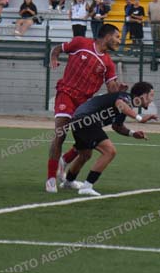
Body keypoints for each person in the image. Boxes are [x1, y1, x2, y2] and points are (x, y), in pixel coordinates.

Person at [46, 25, 122, 193]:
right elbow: (57, 49)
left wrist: (119, 90)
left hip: (84, 105)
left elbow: (112, 89)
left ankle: (66, 169)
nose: (119, 40)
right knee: (60, 134)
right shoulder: (80, 43)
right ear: (107, 36)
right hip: (66, 94)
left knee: (86, 149)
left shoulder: (108, 63)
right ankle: (51, 179)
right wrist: (53, 58)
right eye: (117, 37)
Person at [62, 82, 157, 196]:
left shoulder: (127, 105)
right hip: (87, 120)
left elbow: (117, 126)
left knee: (85, 154)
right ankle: (87, 187)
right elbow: (120, 104)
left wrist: (133, 134)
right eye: (151, 95)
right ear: (143, 95)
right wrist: (139, 118)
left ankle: (68, 182)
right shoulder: (125, 98)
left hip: (79, 120)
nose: (152, 99)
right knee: (109, 151)